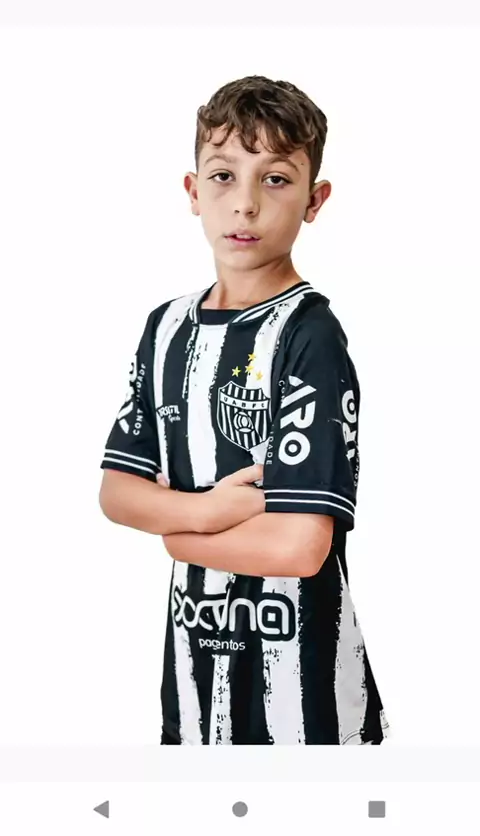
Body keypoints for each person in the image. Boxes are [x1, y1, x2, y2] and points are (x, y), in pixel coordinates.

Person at [99, 75, 390, 746]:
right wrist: (207, 513)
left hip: (308, 706)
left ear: (315, 200)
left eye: (276, 179)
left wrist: (175, 533)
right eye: (224, 176)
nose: (246, 204)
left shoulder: (309, 335)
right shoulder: (165, 328)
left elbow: (299, 547)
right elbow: (117, 492)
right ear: (192, 190)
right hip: (192, 687)